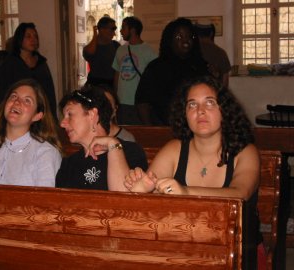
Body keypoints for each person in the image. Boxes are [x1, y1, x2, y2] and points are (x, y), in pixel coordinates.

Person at [124, 76, 264, 269]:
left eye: (210, 102)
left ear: (225, 110)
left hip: (237, 250)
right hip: (182, 250)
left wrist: (186, 192)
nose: (200, 111)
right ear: (184, 114)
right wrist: (140, 185)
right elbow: (148, 194)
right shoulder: (174, 149)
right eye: (192, 105)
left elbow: (241, 193)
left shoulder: (245, 152)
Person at [0, 79, 62, 187]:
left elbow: (45, 201)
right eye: (13, 96)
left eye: (27, 100)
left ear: (37, 116)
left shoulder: (45, 153)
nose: (17, 102)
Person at [55, 86, 147, 191]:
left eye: (69, 114)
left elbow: (123, 199)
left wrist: (113, 144)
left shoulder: (131, 152)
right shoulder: (69, 164)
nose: (62, 124)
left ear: (92, 115)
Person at [135, 18, 210, 125]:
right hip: (164, 128)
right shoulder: (156, 68)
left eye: (190, 37)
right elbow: (142, 102)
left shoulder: (200, 66)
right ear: (170, 40)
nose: (186, 41)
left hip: (195, 128)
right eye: (179, 37)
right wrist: (151, 130)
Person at [0, 22, 58, 121]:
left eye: (35, 36)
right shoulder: (8, 64)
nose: (33, 40)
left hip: (40, 114)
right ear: (20, 39)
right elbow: (4, 93)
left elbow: (49, 92)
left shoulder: (41, 62)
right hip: (18, 113)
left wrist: (52, 116)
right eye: (28, 36)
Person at [112, 16, 157, 125]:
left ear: (132, 30)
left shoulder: (149, 51)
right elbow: (117, 74)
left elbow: (155, 78)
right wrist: (115, 99)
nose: (121, 31)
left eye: (123, 27)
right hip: (122, 103)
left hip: (140, 103)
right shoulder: (120, 50)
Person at [83, 17, 120, 88]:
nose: (114, 33)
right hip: (94, 86)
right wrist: (95, 36)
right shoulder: (92, 47)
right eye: (112, 29)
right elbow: (88, 54)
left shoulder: (116, 46)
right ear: (102, 29)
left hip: (111, 86)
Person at [195, 23, 231, 87]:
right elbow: (225, 82)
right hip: (215, 93)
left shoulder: (191, 52)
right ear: (211, 33)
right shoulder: (221, 53)